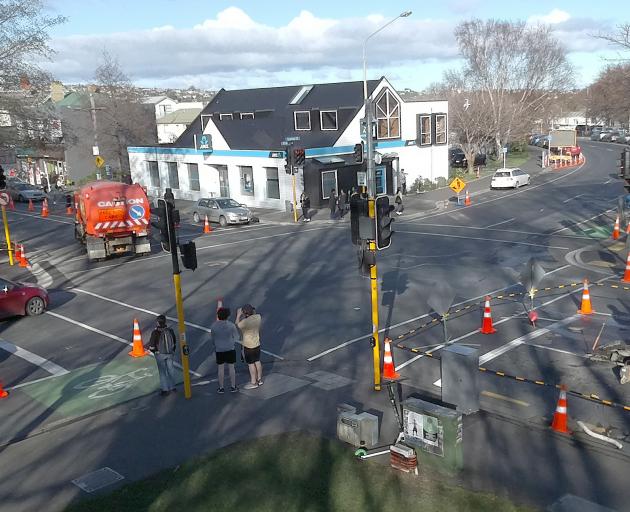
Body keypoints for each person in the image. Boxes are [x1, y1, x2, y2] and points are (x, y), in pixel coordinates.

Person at [209, 307, 240, 393]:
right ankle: (233, 386)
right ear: (228, 316)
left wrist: (216, 344)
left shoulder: (214, 326)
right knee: (231, 368)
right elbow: (237, 337)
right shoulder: (231, 325)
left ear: (218, 316)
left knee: (221, 368)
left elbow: (213, 338)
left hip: (219, 349)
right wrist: (232, 342)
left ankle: (221, 387)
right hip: (230, 348)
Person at [146, 315, 178, 396]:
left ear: (158, 323)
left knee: (162, 372)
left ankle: (165, 389)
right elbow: (174, 341)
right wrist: (172, 350)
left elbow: (151, 346)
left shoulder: (155, 332)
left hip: (160, 354)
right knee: (171, 370)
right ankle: (173, 387)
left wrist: (154, 351)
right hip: (170, 353)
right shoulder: (170, 330)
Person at [236, 304, 263, 389]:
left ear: (245, 313)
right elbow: (254, 313)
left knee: (251, 364)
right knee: (257, 361)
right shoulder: (258, 317)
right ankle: (259, 379)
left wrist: (238, 315)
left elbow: (237, 324)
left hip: (248, 345)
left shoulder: (245, 322)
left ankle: (253, 382)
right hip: (257, 344)